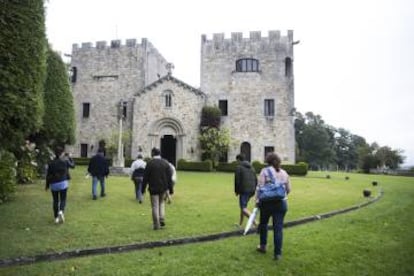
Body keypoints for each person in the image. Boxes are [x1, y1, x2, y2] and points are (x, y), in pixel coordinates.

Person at [255, 152, 291, 261]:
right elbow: (288, 190)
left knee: (263, 224)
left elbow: (259, 188)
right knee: (278, 228)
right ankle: (277, 254)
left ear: (268, 161)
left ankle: (263, 246)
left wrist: (256, 201)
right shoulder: (284, 173)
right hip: (281, 204)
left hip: (266, 203)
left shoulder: (264, 172)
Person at [142, 147, 172, 230]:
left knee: (155, 206)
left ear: (153, 153)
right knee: (161, 203)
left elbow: (145, 178)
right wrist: (170, 189)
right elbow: (169, 177)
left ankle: (156, 224)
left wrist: (143, 189)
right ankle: (161, 219)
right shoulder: (165, 163)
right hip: (163, 188)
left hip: (153, 187)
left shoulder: (150, 163)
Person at [45, 146, 70, 224]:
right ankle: (61, 211)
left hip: (54, 183)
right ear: (61, 153)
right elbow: (67, 171)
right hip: (62, 182)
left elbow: (48, 175)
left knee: (55, 200)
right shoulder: (64, 162)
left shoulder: (51, 163)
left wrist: (47, 185)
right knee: (63, 199)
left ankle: (56, 217)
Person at [234, 153, 257, 227]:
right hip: (252, 190)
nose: (236, 162)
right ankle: (240, 224)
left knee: (243, 208)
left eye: (237, 160)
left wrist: (237, 191)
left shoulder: (239, 167)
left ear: (238, 160)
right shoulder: (252, 167)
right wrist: (254, 189)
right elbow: (256, 179)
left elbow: (237, 181)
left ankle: (256, 223)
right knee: (243, 207)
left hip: (244, 190)